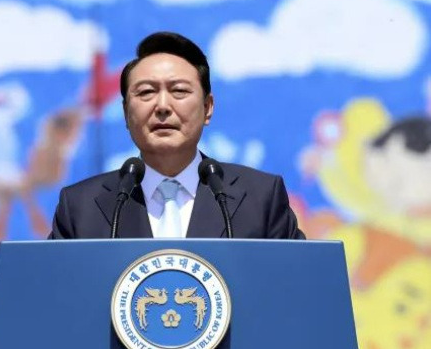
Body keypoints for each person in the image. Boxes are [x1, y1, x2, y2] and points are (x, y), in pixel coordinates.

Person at [48, 31, 305, 239]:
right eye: (146, 92)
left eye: (179, 91)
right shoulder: (82, 207)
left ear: (207, 108)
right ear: (126, 112)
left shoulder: (260, 198)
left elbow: (299, 289)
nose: (162, 106)